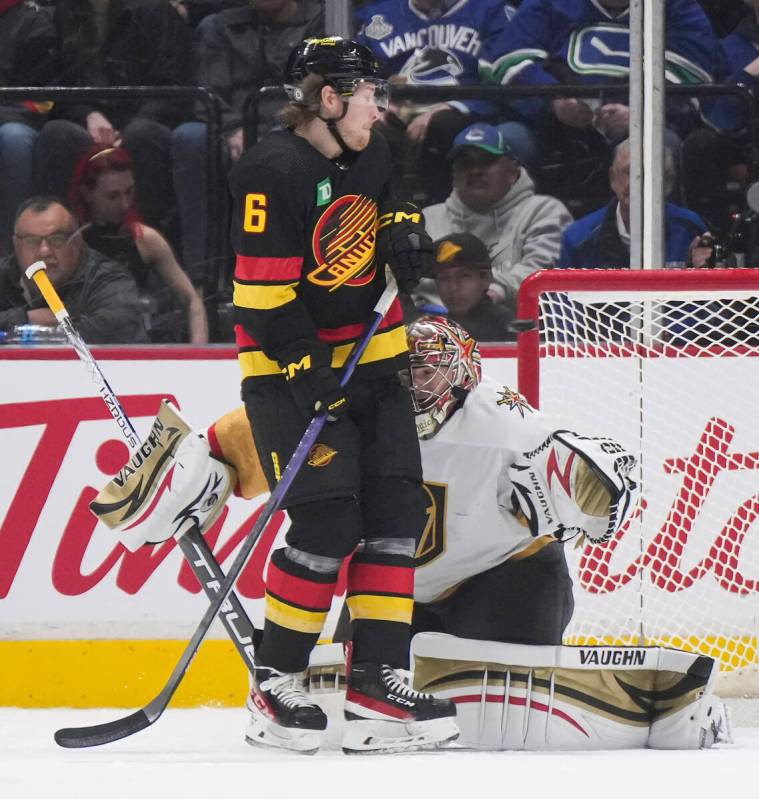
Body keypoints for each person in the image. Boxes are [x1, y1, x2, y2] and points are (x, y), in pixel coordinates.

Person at [98, 317, 730, 753]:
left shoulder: (509, 434)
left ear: (464, 383)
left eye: (427, 376)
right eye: (402, 372)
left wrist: (584, 494)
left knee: (499, 667)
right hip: (389, 589)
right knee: (356, 700)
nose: (411, 387)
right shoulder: (340, 414)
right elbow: (221, 449)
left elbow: (601, 486)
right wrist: (178, 482)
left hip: (503, 574)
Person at [224, 36, 456, 754]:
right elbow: (259, 297)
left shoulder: (372, 146)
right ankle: (275, 681)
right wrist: (305, 369)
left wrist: (404, 226)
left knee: (394, 512)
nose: (377, 108)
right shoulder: (271, 170)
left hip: (375, 358)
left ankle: (377, 680)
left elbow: (393, 193)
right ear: (327, 100)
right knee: (327, 526)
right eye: (365, 96)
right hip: (287, 368)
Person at [170, 0, 324, 280]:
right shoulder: (219, 27)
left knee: (284, 147)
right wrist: (233, 129)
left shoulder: (318, 23)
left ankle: (279, 274)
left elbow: (318, 95)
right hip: (233, 123)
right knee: (189, 138)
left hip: (291, 124)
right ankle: (202, 278)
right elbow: (210, 92)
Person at [354, 0, 534, 204]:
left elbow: (502, 76)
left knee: (444, 126)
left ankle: (440, 214)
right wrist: (378, 102)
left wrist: (452, 107)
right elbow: (361, 77)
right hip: (400, 108)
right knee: (361, 127)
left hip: (468, 111)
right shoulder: (379, 17)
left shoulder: (491, 11)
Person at [416, 122, 572, 314]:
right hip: (437, 332)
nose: (475, 171)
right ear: (454, 175)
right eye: (465, 163)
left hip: (518, 334)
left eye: (486, 161)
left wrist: (492, 292)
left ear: (512, 172)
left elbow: (539, 278)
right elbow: (410, 283)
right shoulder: (427, 219)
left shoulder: (544, 211)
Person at [69, 145, 208, 344]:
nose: (125, 204)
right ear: (87, 193)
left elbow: (192, 301)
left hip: (134, 347)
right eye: (113, 196)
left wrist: (198, 354)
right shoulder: (72, 242)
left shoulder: (144, 239)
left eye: (129, 192)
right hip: (85, 345)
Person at [0, 196, 147, 343]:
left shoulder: (108, 278)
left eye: (56, 239)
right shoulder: (3, 275)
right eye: (31, 241)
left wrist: (34, 328)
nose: (44, 251)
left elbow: (116, 331)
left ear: (76, 242)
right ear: (16, 246)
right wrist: (25, 318)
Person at [559, 138, 711, 269]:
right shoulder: (577, 238)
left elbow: (710, 299)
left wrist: (700, 272)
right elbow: (562, 302)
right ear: (613, 178)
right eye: (630, 172)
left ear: (668, 183)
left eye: (651, 172)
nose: (639, 183)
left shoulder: (691, 228)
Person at [0, 0, 59, 254]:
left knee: (12, 139)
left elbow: (41, 100)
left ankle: (12, 254)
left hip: (20, 119)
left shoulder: (35, 23)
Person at [427, 232, 514, 341]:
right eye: (444, 278)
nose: (453, 287)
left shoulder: (506, 328)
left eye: (463, 276)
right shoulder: (434, 332)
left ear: (486, 278)